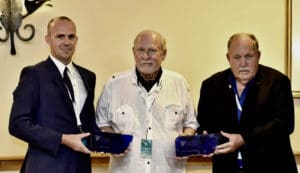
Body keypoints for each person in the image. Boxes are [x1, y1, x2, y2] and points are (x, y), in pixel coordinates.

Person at [95, 30, 199, 173]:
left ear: (164, 54)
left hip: (168, 169)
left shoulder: (179, 83)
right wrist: (112, 140)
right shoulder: (114, 84)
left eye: (152, 51)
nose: (145, 56)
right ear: (133, 52)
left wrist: (186, 139)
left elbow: (191, 122)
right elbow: (101, 122)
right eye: (140, 50)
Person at [197, 33, 298, 173]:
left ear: (258, 56)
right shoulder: (211, 85)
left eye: (248, 56)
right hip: (227, 167)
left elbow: (284, 125)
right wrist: (205, 138)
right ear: (228, 58)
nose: (243, 63)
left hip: (271, 166)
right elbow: (204, 123)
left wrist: (244, 138)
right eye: (237, 57)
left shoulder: (277, 81)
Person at [9, 16, 98, 173]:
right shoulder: (33, 74)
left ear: (76, 39)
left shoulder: (88, 76)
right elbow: (17, 124)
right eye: (60, 36)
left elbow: (86, 122)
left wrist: (111, 141)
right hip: (46, 166)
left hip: (81, 166)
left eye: (71, 36)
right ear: (48, 39)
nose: (66, 42)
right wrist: (63, 139)